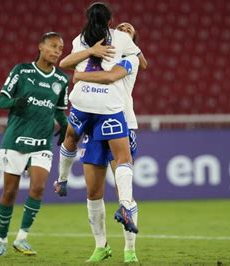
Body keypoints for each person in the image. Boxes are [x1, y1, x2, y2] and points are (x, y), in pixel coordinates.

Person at [53, 2, 143, 262]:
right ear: (111, 22)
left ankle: (129, 250)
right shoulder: (88, 41)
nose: (124, 29)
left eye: (129, 29)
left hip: (121, 120)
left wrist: (80, 78)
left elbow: (109, 77)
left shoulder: (129, 58)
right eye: (121, 25)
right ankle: (101, 245)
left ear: (132, 41)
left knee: (123, 177)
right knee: (94, 191)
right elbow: (69, 62)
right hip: (96, 117)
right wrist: (90, 51)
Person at [0, 32, 69, 257]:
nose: (57, 51)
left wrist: (66, 130)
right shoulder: (21, 71)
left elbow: (59, 113)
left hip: (42, 142)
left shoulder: (62, 80)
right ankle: (2, 239)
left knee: (37, 188)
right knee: (9, 192)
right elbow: (1, 100)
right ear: (41, 47)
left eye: (60, 49)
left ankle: (22, 237)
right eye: (53, 46)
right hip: (15, 139)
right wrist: (17, 102)